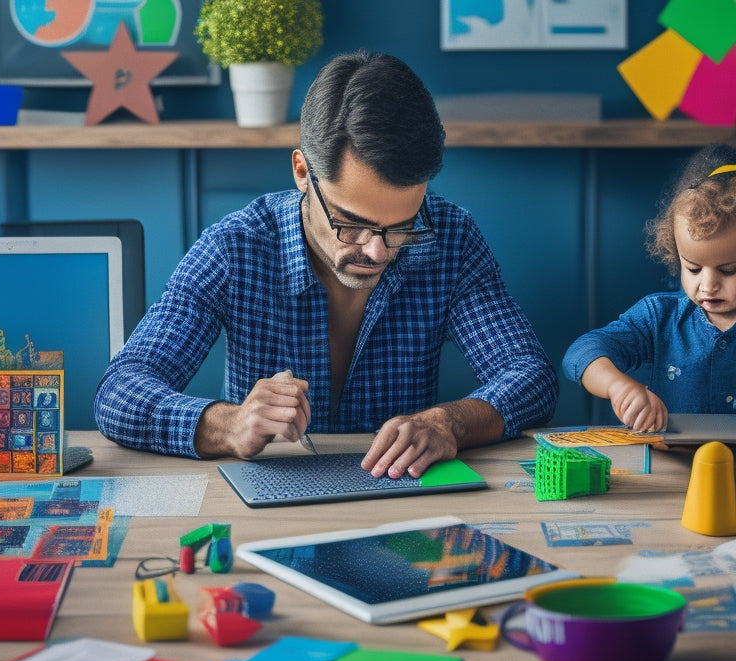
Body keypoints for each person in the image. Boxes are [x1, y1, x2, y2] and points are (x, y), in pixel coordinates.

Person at [95, 51, 557, 478]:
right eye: (350, 224)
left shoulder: (450, 237)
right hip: (266, 500)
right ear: (302, 172)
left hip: (401, 498)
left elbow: (530, 376)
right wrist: (228, 424)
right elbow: (120, 390)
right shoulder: (235, 246)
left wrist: (449, 422)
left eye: (401, 225)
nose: (378, 252)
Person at [563, 142, 736, 433]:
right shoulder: (660, 317)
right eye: (692, 268)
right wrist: (619, 387)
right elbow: (581, 353)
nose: (707, 285)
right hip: (669, 469)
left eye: (729, 270)